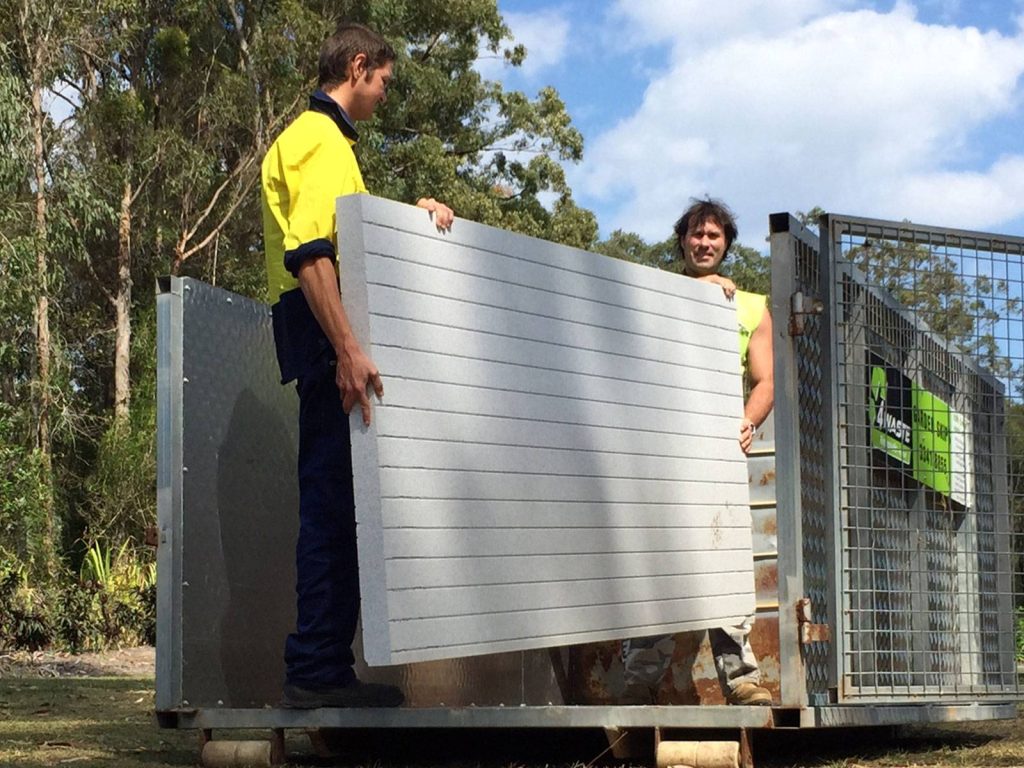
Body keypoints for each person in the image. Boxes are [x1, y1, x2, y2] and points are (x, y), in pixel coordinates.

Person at [261, 22, 454, 709]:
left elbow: (355, 242)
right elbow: (312, 253)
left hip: (328, 333)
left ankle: (326, 669)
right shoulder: (316, 141)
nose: (384, 96)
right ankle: (315, 669)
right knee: (330, 509)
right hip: (323, 336)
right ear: (359, 65)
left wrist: (418, 218)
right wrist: (346, 348)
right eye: (384, 83)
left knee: (342, 507)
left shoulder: (332, 147)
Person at [621, 198, 774, 706]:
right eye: (695, 235)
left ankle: (742, 680)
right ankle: (641, 681)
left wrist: (747, 422)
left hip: (717, 457)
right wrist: (698, 292)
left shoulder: (752, 305)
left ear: (726, 243)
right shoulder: (654, 290)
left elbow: (766, 380)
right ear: (682, 241)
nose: (704, 243)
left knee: (723, 560)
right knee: (658, 561)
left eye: (714, 236)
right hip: (662, 456)